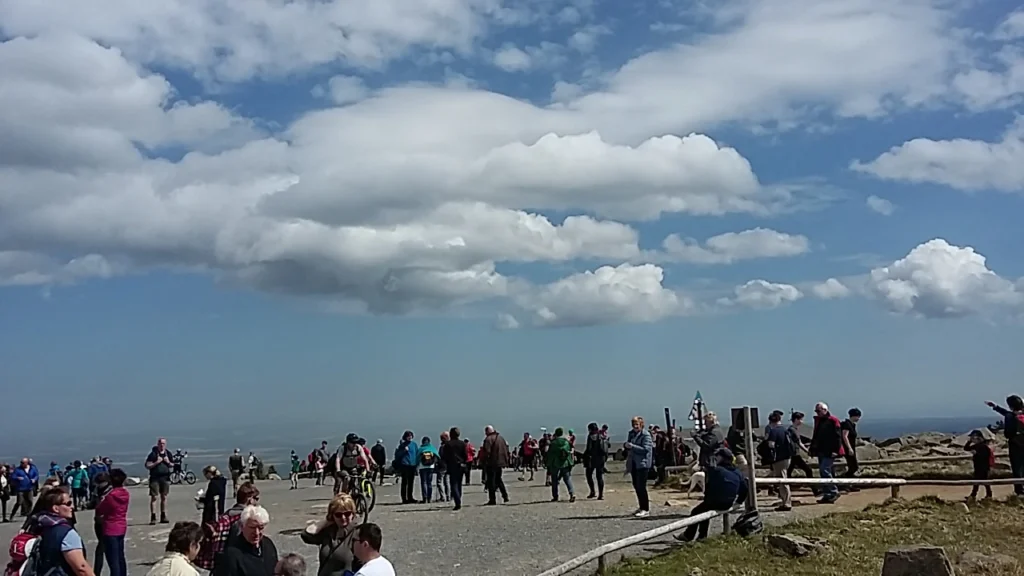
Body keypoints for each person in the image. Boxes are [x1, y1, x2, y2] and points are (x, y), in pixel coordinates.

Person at [674, 448, 747, 542]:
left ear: (722, 458)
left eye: (717, 456)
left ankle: (689, 535)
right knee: (704, 510)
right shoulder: (737, 472)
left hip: (715, 502)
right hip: (729, 503)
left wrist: (707, 499)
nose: (715, 458)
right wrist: (739, 502)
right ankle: (701, 537)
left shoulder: (716, 470)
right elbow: (745, 489)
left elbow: (708, 487)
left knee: (696, 511)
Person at [27, 486, 95, 576]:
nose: (72, 507)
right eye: (68, 503)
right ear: (56, 508)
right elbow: (81, 568)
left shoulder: (40, 526)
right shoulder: (67, 533)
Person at [194, 482, 260, 571]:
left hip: (219, 564)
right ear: (250, 499)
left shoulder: (226, 516)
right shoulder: (245, 520)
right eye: (256, 499)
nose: (257, 502)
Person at [300, 493, 361, 576]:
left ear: (353, 514)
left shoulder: (358, 533)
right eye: (338, 515)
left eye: (347, 514)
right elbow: (306, 535)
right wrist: (327, 521)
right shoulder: (329, 531)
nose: (343, 518)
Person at [213, 505, 278, 576]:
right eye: (252, 527)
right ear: (242, 526)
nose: (256, 533)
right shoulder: (231, 555)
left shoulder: (268, 545)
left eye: (260, 528)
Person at [985, 395, 1024, 496]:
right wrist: (995, 406)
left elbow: (1006, 414)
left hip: (1015, 445)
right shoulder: (1020, 415)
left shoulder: (1010, 416)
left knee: (1017, 468)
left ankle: (1020, 491)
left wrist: (994, 406)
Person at [93, 469, 129, 576]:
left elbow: (100, 509)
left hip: (110, 527)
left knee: (113, 560)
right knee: (120, 556)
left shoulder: (111, 496)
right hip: (121, 525)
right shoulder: (125, 493)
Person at [810, 402, 843, 504]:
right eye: (816, 411)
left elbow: (838, 437)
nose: (817, 413)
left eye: (818, 411)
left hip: (830, 451)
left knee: (824, 470)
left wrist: (836, 450)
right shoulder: (819, 421)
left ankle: (833, 491)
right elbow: (816, 435)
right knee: (825, 472)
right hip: (821, 450)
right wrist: (812, 448)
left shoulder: (833, 420)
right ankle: (827, 494)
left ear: (825, 410)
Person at [763, 411, 794, 511]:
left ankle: (786, 503)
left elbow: (771, 444)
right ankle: (785, 500)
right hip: (787, 457)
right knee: (783, 478)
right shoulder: (785, 430)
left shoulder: (774, 431)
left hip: (779, 458)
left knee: (782, 480)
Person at [625, 416, 654, 517]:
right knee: (636, 486)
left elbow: (646, 449)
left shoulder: (646, 435)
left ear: (641, 425)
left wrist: (632, 446)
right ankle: (641, 507)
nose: (635, 426)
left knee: (641, 487)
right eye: (633, 424)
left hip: (643, 463)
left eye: (637, 424)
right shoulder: (631, 434)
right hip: (633, 463)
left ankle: (646, 509)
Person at [479, 425, 510, 505]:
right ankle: (505, 496)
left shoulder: (488, 439)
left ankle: (492, 499)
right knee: (498, 479)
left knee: (491, 481)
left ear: (487, 431)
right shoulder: (501, 438)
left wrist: (483, 461)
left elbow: (487, 452)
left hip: (491, 463)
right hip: (500, 462)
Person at [146, 438, 174, 524]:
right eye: (160, 443)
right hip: (155, 478)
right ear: (158, 444)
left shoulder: (168, 453)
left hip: (165, 478)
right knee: (154, 497)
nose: (162, 445)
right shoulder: (153, 454)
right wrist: (156, 462)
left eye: (163, 443)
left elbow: (172, 464)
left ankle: (163, 515)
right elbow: (147, 465)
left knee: (164, 497)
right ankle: (153, 516)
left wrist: (168, 462)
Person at [545, 428, 575, 502]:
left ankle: (555, 496)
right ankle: (572, 493)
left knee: (554, 480)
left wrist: (547, 463)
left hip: (555, 463)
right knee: (567, 479)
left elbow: (549, 453)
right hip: (565, 462)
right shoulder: (566, 442)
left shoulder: (553, 443)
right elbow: (569, 451)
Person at [442, 427, 468, 511]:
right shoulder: (462, 444)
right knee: (459, 484)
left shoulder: (448, 444)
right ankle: (458, 498)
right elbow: (465, 455)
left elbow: (445, 456)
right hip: (461, 466)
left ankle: (457, 502)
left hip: (452, 466)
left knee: (453, 484)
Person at [964, 430, 994, 501]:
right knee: (981, 482)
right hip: (978, 467)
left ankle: (975, 495)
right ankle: (986, 495)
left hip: (983, 467)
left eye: (973, 438)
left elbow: (984, 456)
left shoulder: (984, 447)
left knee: (981, 481)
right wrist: (969, 441)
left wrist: (976, 454)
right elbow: (966, 448)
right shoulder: (976, 446)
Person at [583, 422, 609, 500]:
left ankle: (592, 491)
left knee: (589, 475)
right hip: (601, 458)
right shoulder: (602, 436)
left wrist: (585, 456)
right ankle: (601, 495)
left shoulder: (591, 436)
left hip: (592, 459)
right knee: (599, 477)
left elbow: (589, 448)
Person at [394, 431, 419, 504]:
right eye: (408, 436)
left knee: (411, 482)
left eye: (411, 436)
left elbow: (417, 453)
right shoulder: (402, 445)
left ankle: (410, 497)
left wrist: (417, 464)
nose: (410, 437)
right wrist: (404, 450)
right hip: (405, 465)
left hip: (413, 465)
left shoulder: (414, 444)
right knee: (405, 482)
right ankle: (404, 498)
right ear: (405, 437)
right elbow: (398, 455)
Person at [840, 408, 862, 490]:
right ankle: (844, 481)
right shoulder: (847, 424)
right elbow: (845, 436)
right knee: (853, 466)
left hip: (851, 448)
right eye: (858, 416)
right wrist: (849, 448)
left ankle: (849, 484)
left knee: (853, 466)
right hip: (848, 448)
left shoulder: (852, 425)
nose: (858, 418)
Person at [417, 436, 438, 503]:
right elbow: (437, 457)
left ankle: (425, 498)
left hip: (422, 467)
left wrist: (416, 466)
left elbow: (417, 458)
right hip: (431, 467)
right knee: (429, 482)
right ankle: (429, 498)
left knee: (424, 482)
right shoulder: (432, 448)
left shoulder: (421, 449)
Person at [435, 432, 450, 502]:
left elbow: (440, 456)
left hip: (442, 466)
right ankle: (448, 496)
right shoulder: (449, 446)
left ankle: (443, 497)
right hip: (448, 466)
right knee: (446, 482)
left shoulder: (442, 447)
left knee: (439, 482)